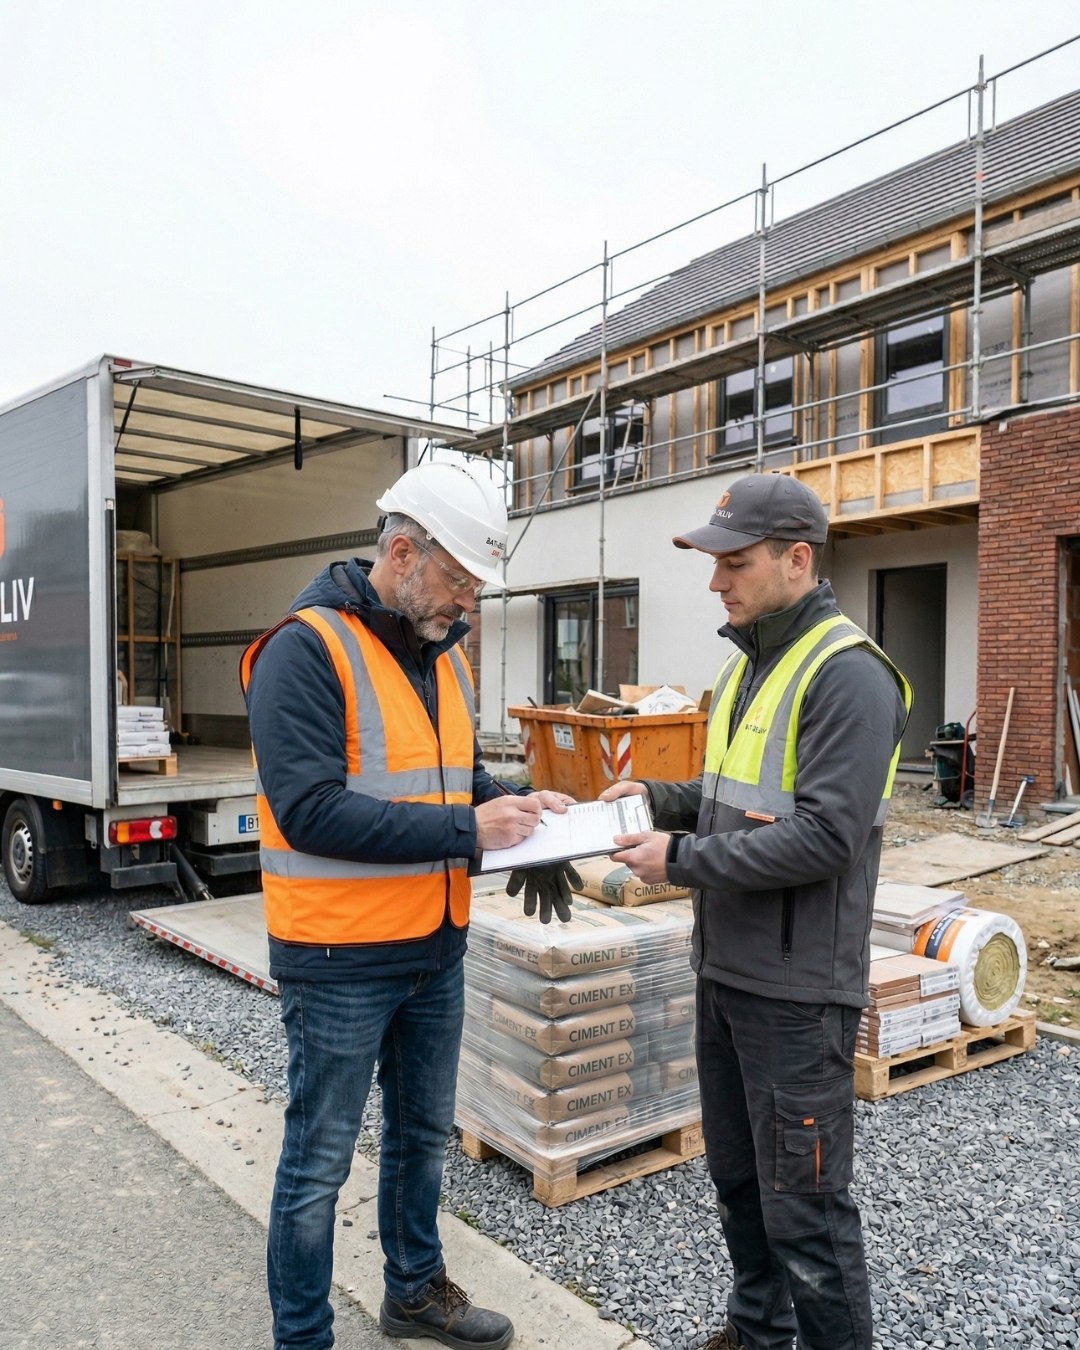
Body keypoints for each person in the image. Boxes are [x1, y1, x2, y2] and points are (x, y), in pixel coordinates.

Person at [241, 460, 574, 1350]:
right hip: (340, 960)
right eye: (460, 580)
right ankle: (303, 1336)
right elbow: (310, 811)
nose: (468, 603)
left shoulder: (442, 656)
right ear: (401, 553)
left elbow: (453, 777)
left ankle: (414, 1293)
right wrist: (471, 833)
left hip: (433, 950)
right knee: (318, 1164)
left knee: (421, 1139)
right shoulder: (302, 650)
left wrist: (518, 808)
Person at [602, 473, 910, 1350]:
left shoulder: (848, 677)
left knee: (806, 1211)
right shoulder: (750, 666)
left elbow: (826, 839)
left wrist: (680, 861)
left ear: (796, 559)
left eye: (733, 563)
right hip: (728, 971)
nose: (715, 582)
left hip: (797, 991)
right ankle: (755, 1329)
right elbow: (732, 795)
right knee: (741, 1182)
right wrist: (659, 799)